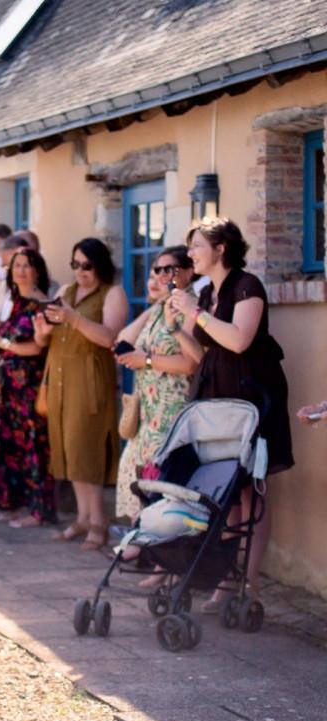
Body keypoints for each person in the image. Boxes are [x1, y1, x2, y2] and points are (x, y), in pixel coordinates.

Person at [170, 218, 293, 607]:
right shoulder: (208, 293)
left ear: (221, 248)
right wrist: (177, 327)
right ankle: (226, 578)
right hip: (217, 397)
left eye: (197, 246)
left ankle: (249, 580)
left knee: (252, 491)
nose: (190, 253)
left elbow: (239, 341)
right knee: (227, 490)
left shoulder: (246, 286)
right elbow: (204, 355)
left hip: (251, 398)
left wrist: (197, 312)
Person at [34, 238, 128, 550]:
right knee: (68, 447)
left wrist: (73, 318)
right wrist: (43, 330)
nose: (80, 271)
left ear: (100, 265)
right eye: (75, 264)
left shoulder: (112, 294)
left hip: (89, 380)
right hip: (61, 377)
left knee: (87, 448)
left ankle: (99, 521)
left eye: (86, 265)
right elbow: (47, 338)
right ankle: (82, 516)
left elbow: (110, 337)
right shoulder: (66, 293)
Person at [113, 247, 198, 521]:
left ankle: (161, 547)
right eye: (157, 270)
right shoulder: (161, 309)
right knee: (139, 474)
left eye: (168, 269)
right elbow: (123, 339)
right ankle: (144, 540)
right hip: (148, 410)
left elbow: (190, 363)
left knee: (164, 479)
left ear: (188, 271)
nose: (162, 275)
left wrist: (146, 361)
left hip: (172, 407)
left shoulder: (191, 306)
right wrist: (155, 305)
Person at [0, 248, 53, 525]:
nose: (20, 270)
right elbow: (7, 339)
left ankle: (39, 509)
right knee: (10, 445)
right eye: (16, 265)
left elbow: (37, 347)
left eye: (26, 265)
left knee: (33, 445)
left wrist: (2, 343)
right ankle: (15, 501)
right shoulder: (17, 302)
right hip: (7, 382)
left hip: (29, 384)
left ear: (37, 270)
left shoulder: (43, 304)